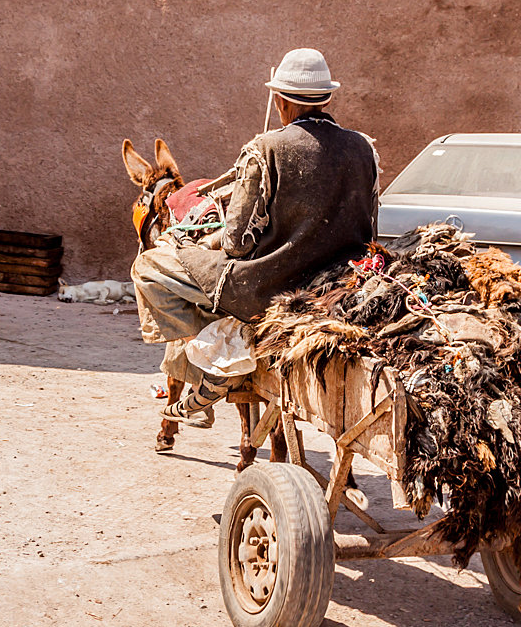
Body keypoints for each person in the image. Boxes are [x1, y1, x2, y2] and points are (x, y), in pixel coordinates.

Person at [132, 48, 380, 429]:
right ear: (327, 98)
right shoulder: (364, 148)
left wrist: (200, 245)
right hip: (338, 287)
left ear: (280, 101)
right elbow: (370, 228)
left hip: (270, 288)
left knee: (148, 267)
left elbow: (237, 244)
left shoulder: (266, 149)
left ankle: (221, 351)